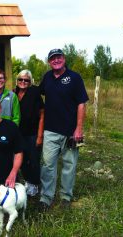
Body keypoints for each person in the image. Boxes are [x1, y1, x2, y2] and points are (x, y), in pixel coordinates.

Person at [38, 49, 89, 210]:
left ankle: (66, 196)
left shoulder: (74, 78)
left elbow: (82, 103)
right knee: (47, 165)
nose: (56, 60)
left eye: (59, 57)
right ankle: (46, 197)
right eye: (53, 58)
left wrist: (79, 129)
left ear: (64, 59)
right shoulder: (47, 77)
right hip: (50, 130)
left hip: (70, 132)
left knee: (69, 165)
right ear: (49, 62)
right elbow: (37, 94)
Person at [14, 69, 44, 196]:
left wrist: (40, 136)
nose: (23, 82)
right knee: (22, 159)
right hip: (19, 134)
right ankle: (27, 182)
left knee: (33, 160)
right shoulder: (13, 93)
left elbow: (42, 114)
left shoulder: (34, 93)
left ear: (30, 81)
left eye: (26, 80)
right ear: (17, 80)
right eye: (20, 79)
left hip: (32, 134)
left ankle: (35, 185)